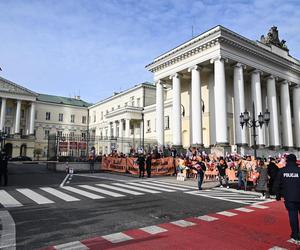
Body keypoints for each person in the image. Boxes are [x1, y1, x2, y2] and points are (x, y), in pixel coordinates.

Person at [274, 154, 300, 244]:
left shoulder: (282, 171)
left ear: (287, 161)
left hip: (289, 197)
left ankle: (295, 235)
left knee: (293, 217)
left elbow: (277, 184)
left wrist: (277, 196)